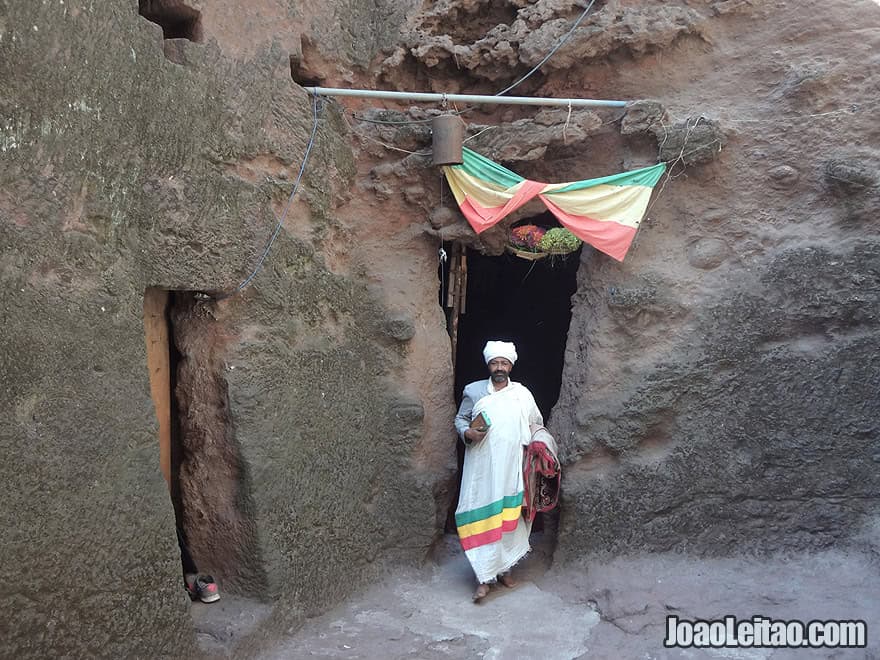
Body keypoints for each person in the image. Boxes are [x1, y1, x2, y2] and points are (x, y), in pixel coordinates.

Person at [454, 340, 543, 602]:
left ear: (511, 365)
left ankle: (504, 569)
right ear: (488, 365)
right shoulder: (474, 390)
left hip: (512, 468)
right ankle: (483, 578)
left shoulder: (522, 394)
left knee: (508, 519)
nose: (499, 367)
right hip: (482, 470)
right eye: (495, 363)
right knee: (483, 517)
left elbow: (535, 422)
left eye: (504, 363)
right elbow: (461, 418)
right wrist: (467, 432)